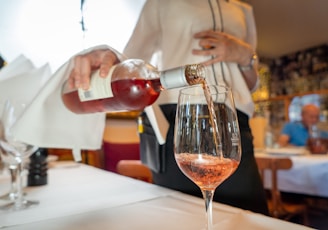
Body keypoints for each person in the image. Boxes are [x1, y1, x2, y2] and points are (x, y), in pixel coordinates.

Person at [67, 0, 269, 215]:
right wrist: (107, 62)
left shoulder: (243, 10)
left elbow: (249, 84)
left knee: (250, 216)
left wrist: (246, 55)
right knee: (180, 214)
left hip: (232, 119)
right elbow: (132, 56)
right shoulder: (161, 2)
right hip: (176, 118)